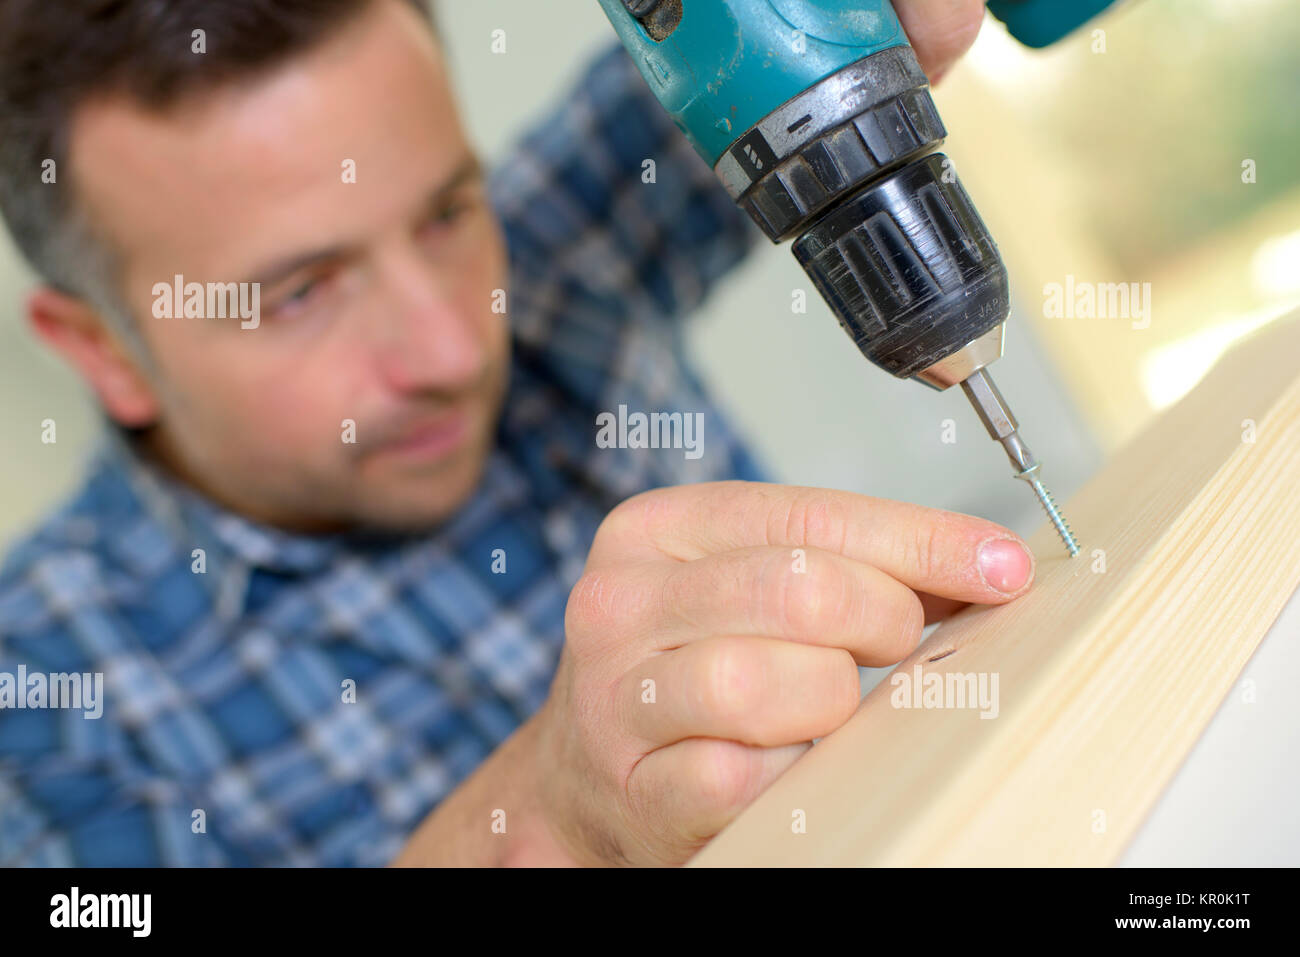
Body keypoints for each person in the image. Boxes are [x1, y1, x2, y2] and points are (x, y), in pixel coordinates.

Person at [0, 0, 1020, 867]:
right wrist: (551, 815)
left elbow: (762, 59)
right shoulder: (43, 704)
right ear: (103, 352)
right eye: (301, 293)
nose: (451, 347)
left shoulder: (553, 251)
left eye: (447, 215)